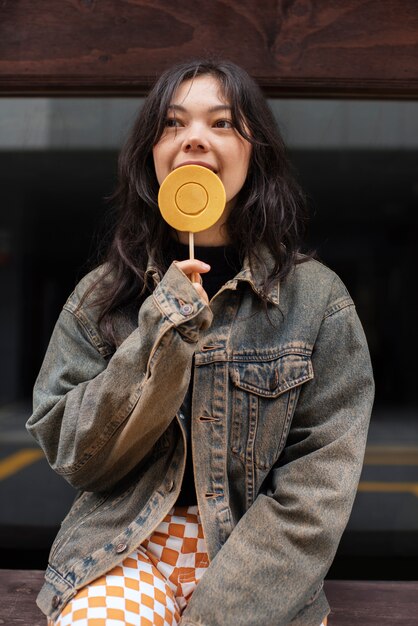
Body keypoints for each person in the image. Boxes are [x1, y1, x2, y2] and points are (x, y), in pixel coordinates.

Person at [27, 59, 374, 626]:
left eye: (220, 122)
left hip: (254, 561)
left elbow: (318, 489)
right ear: (151, 155)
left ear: (254, 150)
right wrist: (160, 328)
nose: (193, 138)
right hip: (125, 550)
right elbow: (75, 455)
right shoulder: (101, 296)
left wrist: (217, 614)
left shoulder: (318, 301)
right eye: (172, 123)